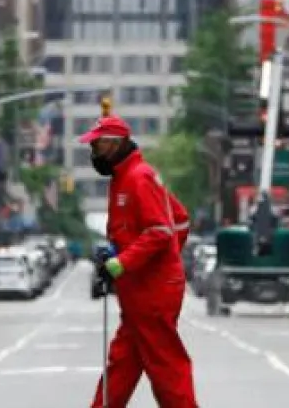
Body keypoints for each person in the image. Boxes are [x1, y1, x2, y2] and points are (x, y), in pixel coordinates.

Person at [81, 108, 198, 408]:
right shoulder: (125, 177)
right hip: (141, 291)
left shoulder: (139, 177)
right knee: (122, 364)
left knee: (166, 366)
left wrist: (127, 262)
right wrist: (121, 253)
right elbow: (180, 221)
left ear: (114, 143)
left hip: (152, 294)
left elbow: (160, 230)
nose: (93, 152)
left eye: (96, 145)